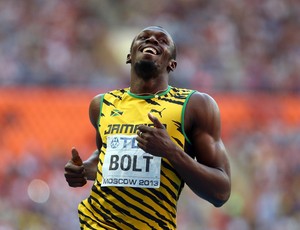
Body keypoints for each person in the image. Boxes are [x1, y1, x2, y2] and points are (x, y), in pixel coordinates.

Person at [64, 25, 231, 230]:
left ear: (172, 64)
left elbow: (221, 192)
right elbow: (106, 155)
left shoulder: (195, 105)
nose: (152, 40)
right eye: (143, 37)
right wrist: (83, 170)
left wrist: (171, 151)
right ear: (129, 56)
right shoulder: (102, 104)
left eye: (162, 40)